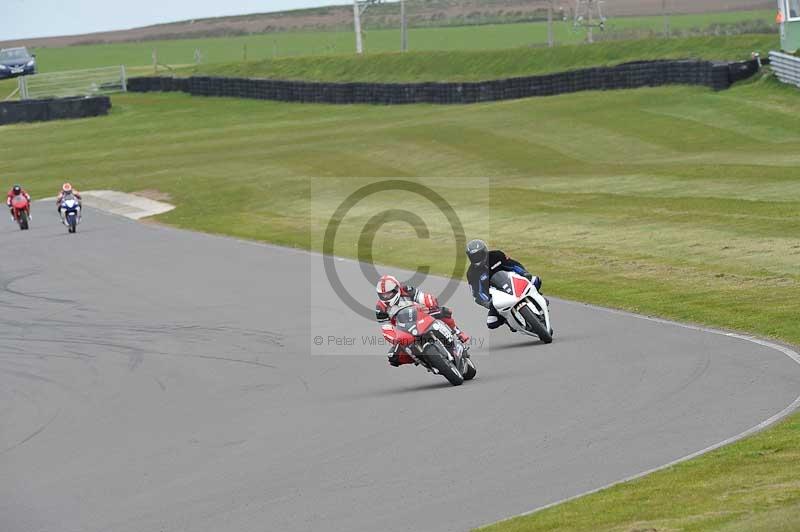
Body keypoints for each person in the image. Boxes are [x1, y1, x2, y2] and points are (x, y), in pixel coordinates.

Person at [375, 274, 470, 367]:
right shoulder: (380, 308)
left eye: (389, 293)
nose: (386, 297)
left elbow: (423, 297)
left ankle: (458, 333)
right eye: (383, 295)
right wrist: (395, 339)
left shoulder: (406, 290)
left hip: (421, 317)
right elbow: (386, 328)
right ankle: (423, 360)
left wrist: (431, 303)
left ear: (396, 289)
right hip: (404, 330)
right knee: (393, 357)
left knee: (444, 312)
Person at [465, 239, 545, 332]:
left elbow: (514, 265)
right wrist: (487, 302)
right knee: (491, 323)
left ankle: (537, 299)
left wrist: (524, 273)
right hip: (496, 297)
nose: (476, 258)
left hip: (513, 282)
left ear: (484, 252)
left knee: (536, 280)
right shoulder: (471, 273)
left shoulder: (497, 255)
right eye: (473, 257)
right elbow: (477, 293)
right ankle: (508, 319)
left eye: (478, 255)